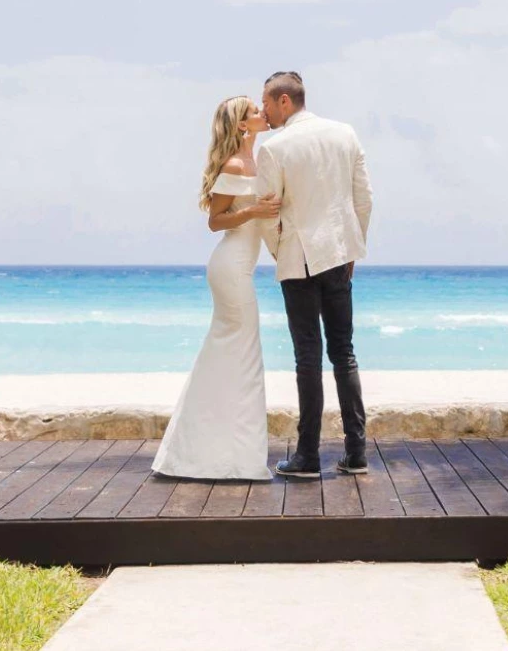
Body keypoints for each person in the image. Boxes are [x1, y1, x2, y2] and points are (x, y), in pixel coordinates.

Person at [151, 95, 282, 480]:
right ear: (242, 125)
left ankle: (222, 450)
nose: (261, 113)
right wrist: (254, 210)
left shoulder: (256, 160)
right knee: (243, 355)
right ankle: (227, 456)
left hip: (241, 267)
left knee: (233, 356)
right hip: (230, 267)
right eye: (254, 111)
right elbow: (215, 220)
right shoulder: (235, 164)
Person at [253, 70, 373, 478]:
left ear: (284, 101)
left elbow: (267, 214)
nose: (264, 111)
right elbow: (364, 200)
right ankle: (356, 453)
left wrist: (280, 250)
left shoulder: (274, 148)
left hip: (299, 258)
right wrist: (352, 247)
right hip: (339, 254)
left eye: (267, 103)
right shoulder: (345, 134)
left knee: (308, 357)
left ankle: (307, 457)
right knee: (344, 352)